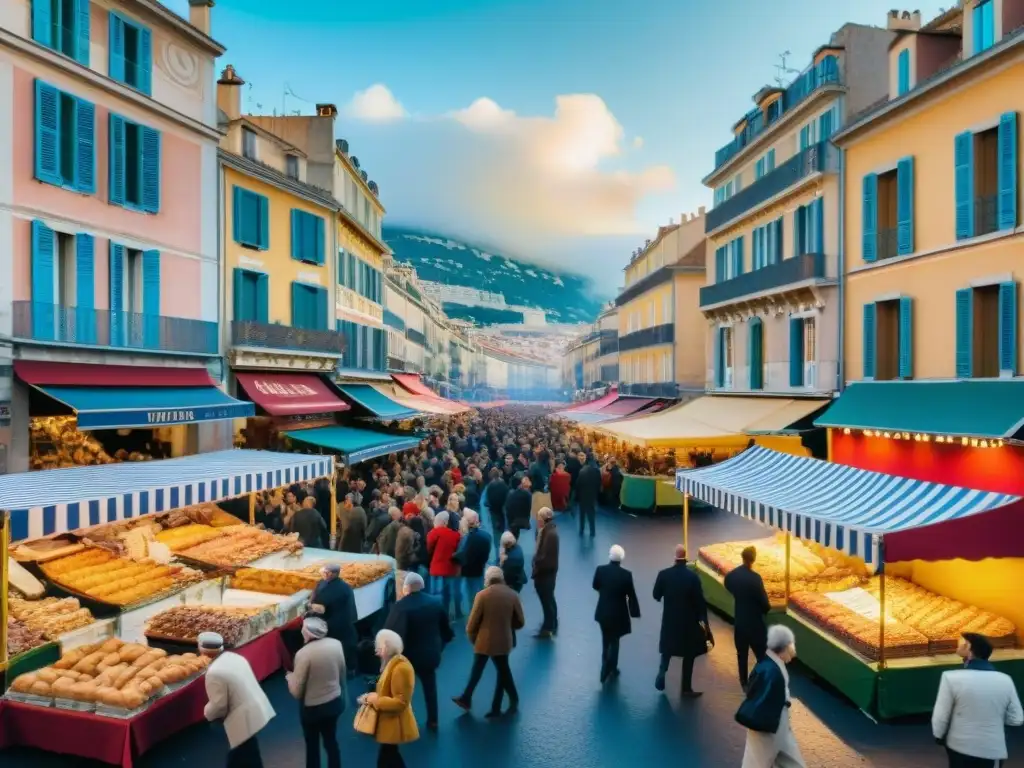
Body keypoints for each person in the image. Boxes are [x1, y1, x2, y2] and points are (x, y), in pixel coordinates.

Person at [932, 632, 1023, 767]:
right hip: (991, 749)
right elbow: (1017, 719)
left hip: (958, 747)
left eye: (960, 641)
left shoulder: (950, 678)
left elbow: (940, 717)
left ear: (968, 647)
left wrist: (939, 736)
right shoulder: (1005, 680)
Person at [384, 573, 454, 731]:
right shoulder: (435, 603)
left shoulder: (400, 606)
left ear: (406, 587)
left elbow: (391, 633)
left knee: (402, 690)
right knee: (430, 687)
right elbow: (446, 630)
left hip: (407, 657)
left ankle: (403, 722)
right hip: (430, 655)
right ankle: (433, 720)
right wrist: (441, 646)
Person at [452, 566, 524, 717]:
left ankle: (466, 698)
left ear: (488, 579)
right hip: (504, 639)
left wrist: (474, 639)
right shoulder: (512, 595)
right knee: (503, 672)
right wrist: (508, 625)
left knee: (477, 670)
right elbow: (520, 621)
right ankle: (500, 704)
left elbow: (472, 624)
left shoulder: (482, 595)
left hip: (484, 640)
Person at [201, 631, 275, 767]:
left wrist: (206, 712)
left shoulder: (214, 672)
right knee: (248, 753)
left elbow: (219, 706)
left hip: (241, 719)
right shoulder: (234, 656)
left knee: (240, 755)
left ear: (204, 652)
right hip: (256, 710)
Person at [737, 624, 806, 768]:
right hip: (768, 729)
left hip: (778, 727)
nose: (793, 652)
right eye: (791, 646)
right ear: (782, 647)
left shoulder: (767, 664)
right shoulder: (772, 671)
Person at [653, 545, 713, 697]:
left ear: (675, 556)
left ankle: (662, 672)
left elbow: (656, 595)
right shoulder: (693, 578)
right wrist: (704, 624)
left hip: (670, 620)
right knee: (689, 654)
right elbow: (700, 603)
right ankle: (686, 688)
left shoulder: (664, 574)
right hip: (688, 623)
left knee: (667, 650)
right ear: (685, 557)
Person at [287, 617, 346, 768]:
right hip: (334, 702)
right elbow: (342, 674)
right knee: (331, 742)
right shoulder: (336, 644)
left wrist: (289, 678)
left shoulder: (303, 654)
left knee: (312, 747)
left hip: (312, 709)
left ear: (307, 633)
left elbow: (297, 692)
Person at [361, 629, 419, 768]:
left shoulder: (400, 668)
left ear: (387, 647)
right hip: (390, 722)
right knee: (390, 757)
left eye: (378, 646)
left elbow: (400, 702)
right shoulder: (390, 664)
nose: (375, 650)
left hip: (394, 724)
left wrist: (374, 699)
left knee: (386, 759)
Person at [724, 545, 771, 690]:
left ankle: (744, 682)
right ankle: (762, 680)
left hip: (740, 622)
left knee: (742, 654)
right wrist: (765, 609)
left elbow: (727, 583)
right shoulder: (755, 579)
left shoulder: (733, 575)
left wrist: (737, 594)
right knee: (762, 655)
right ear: (754, 559)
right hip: (755, 624)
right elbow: (765, 604)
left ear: (742, 557)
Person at [592, 544, 641, 683]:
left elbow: (595, 585)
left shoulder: (600, 570)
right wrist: (634, 612)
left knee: (605, 640)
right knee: (615, 641)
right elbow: (630, 594)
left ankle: (604, 665)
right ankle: (612, 668)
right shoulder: (626, 575)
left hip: (603, 612)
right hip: (619, 615)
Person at [309, 562, 358, 673]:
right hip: (346, 623)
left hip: (334, 624)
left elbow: (320, 608)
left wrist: (309, 605)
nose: (323, 574)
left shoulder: (332, 589)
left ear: (332, 574)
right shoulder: (344, 586)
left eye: (325, 572)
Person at [426, 510, 461, 618]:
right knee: (447, 593)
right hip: (450, 568)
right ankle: (446, 613)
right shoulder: (456, 535)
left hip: (436, 567)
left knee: (434, 593)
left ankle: (435, 614)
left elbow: (428, 548)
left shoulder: (433, 533)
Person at [532, 507, 560, 639]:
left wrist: (536, 563)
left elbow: (546, 558)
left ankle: (548, 627)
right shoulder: (549, 531)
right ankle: (553, 623)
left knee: (546, 600)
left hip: (545, 575)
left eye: (539, 518)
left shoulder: (550, 535)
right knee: (549, 599)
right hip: (547, 575)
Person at [576, 452, 601, 537]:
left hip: (583, 495)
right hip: (592, 495)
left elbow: (578, 484)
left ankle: (581, 529)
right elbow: (599, 484)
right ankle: (592, 531)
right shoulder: (597, 470)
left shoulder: (583, 470)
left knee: (582, 513)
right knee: (591, 514)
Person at [504, 475, 533, 541]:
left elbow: (507, 508)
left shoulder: (509, 494)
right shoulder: (527, 494)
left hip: (511, 520)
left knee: (513, 535)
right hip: (521, 519)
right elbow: (528, 508)